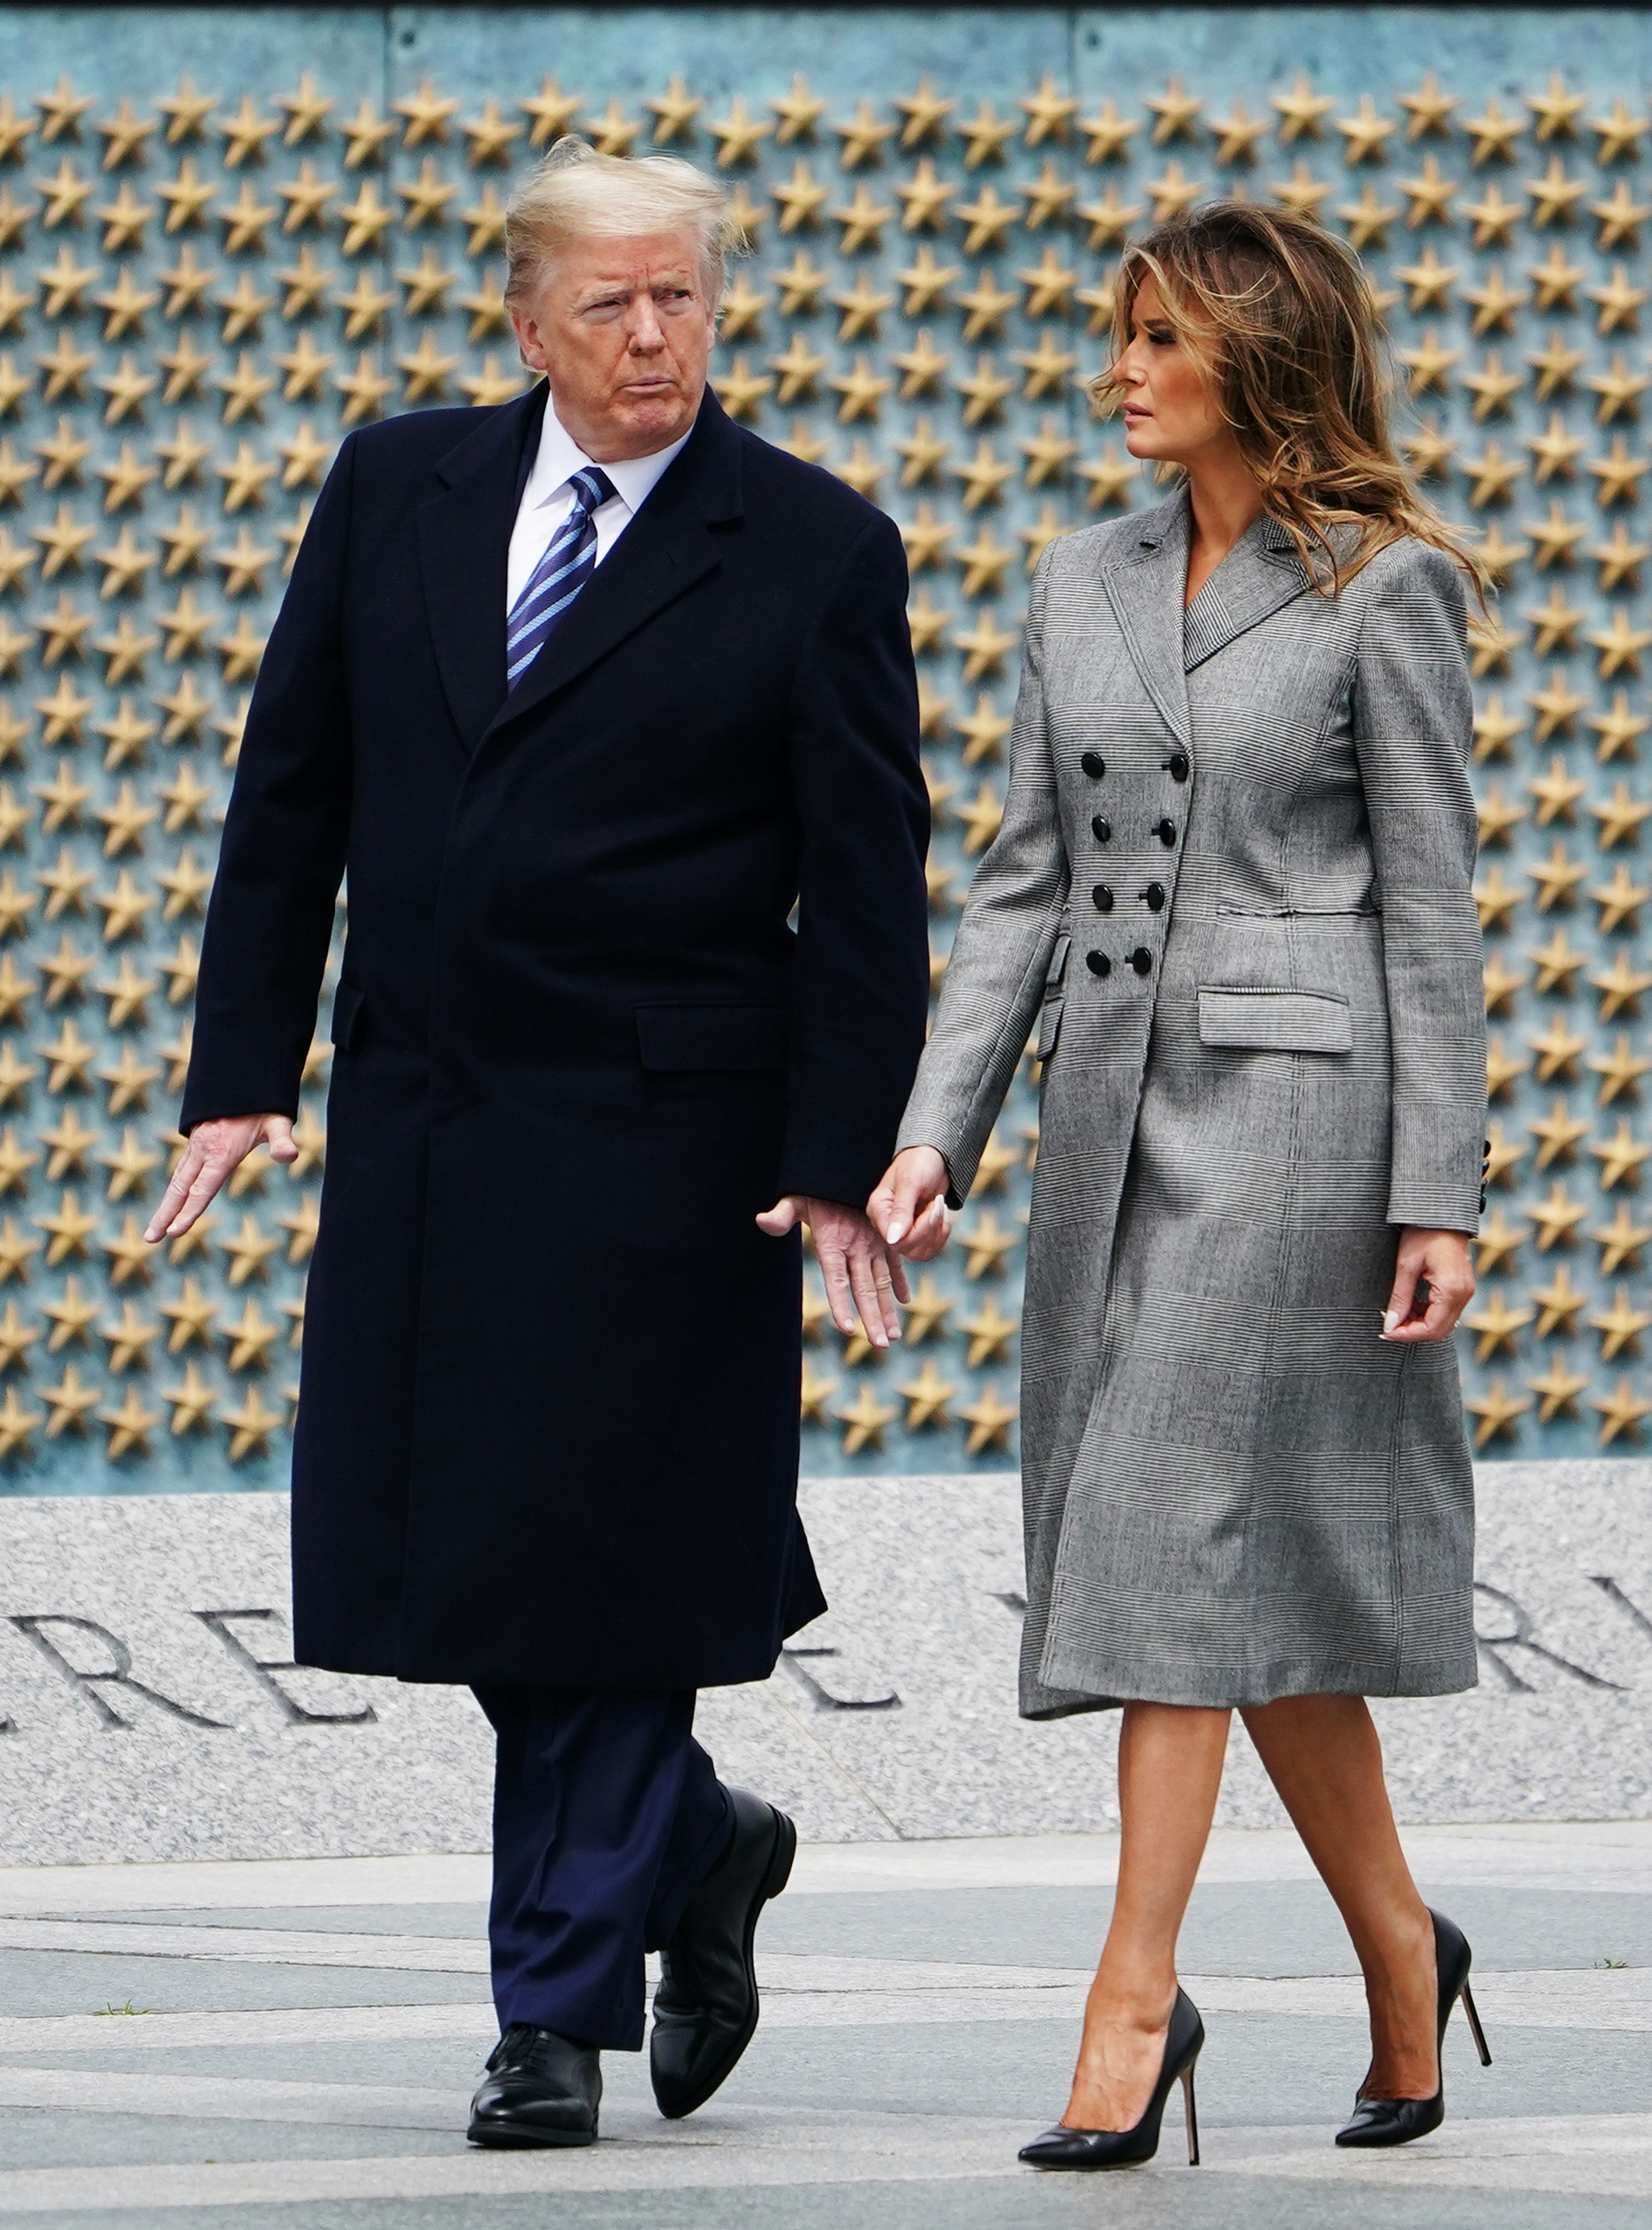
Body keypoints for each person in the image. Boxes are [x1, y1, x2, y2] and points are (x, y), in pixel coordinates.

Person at [147, 138, 929, 2148]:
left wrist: (844, 1150)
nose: (655, 334)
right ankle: (700, 1843)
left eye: (682, 296)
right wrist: (244, 1068)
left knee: (599, 1565)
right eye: (613, 303)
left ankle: (548, 2017)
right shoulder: (395, 484)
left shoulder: (816, 548)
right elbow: (291, 784)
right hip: (427, 1120)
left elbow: (866, 885)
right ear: (529, 320)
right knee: (465, 1560)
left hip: (673, 1143)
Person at [871, 203, 1493, 2169]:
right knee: (1249, 1582)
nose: (1118, 368)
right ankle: (1406, 1958)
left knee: (1158, 1544)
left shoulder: (1379, 589)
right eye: (1118, 335)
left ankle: (1130, 2010)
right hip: (1109, 1129)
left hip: (1302, 1129)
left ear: (1253, 353)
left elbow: (1435, 908)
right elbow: (1025, 881)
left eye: (1156, 339)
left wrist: (1441, 1188)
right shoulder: (1082, 578)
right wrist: (932, 1130)